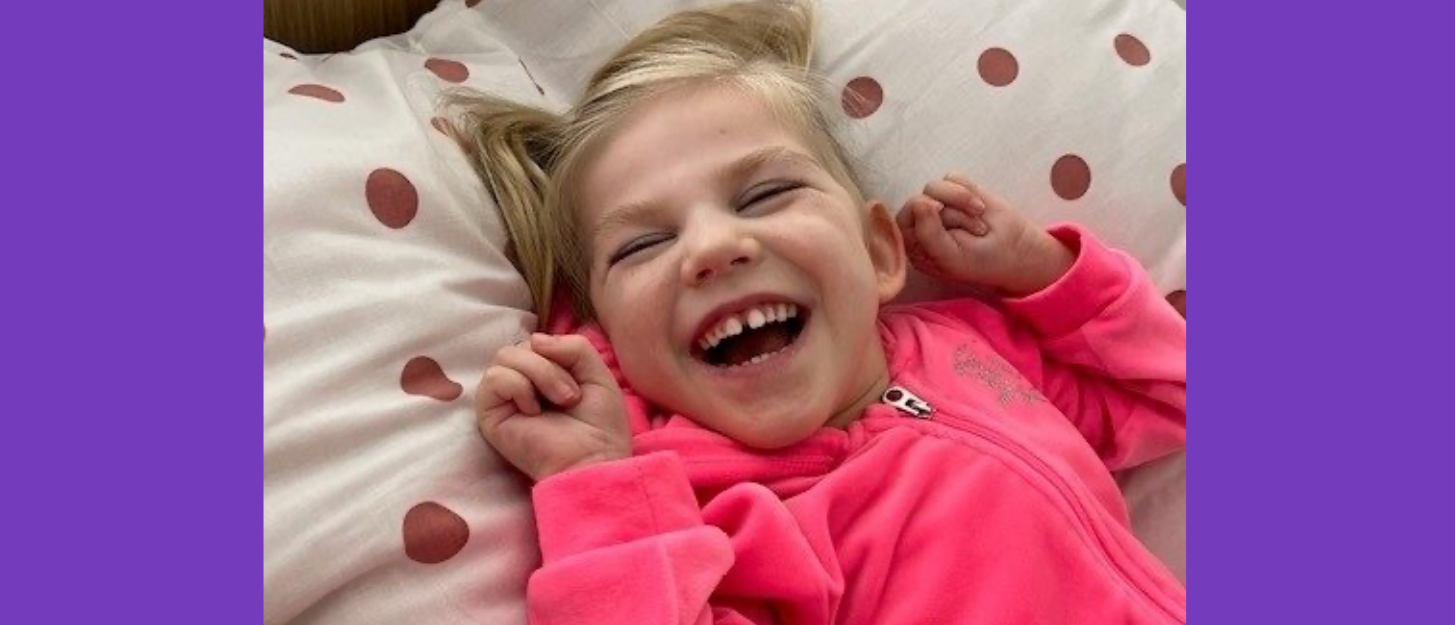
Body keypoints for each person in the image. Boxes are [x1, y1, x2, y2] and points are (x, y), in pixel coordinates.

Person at [451, 1, 1187, 622]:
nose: (713, 246)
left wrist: (1042, 272)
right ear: (610, 335)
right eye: (643, 244)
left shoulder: (972, 346)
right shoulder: (691, 499)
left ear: (878, 251)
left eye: (765, 195)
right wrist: (594, 479)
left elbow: (1172, 392)